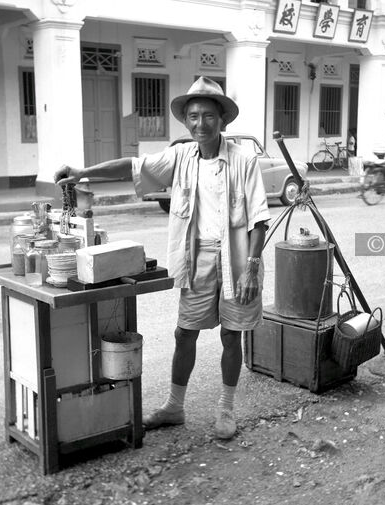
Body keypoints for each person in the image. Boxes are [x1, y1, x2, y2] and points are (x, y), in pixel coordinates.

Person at [53, 76, 271, 440]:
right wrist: (82, 173)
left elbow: (259, 220)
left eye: (208, 116)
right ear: (187, 121)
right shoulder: (181, 156)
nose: (200, 124)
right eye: (193, 116)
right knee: (184, 333)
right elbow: (132, 166)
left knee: (233, 338)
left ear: (223, 120)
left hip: (237, 259)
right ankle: (175, 406)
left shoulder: (243, 161)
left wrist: (251, 267)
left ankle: (226, 410)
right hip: (197, 256)